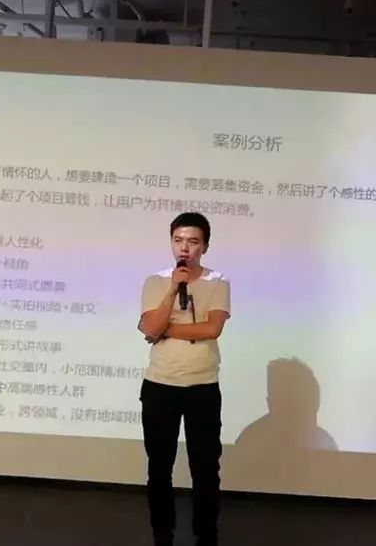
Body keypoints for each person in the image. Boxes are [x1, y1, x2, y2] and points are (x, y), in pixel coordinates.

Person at [138, 212, 231, 546]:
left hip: (202, 386)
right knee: (159, 467)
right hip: (160, 385)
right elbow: (151, 327)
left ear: (204, 246)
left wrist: (165, 330)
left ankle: (206, 535)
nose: (184, 248)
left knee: (205, 468)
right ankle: (162, 534)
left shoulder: (217, 281)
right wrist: (171, 292)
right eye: (178, 240)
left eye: (192, 241)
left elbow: (212, 328)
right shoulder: (155, 281)